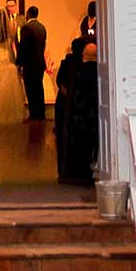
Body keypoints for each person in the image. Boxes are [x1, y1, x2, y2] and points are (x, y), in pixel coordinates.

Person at [61, 40, 99, 184]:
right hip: (94, 115)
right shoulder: (99, 73)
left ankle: (76, 173)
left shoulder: (77, 71)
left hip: (78, 115)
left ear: (84, 55)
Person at [0, 0, 27, 123]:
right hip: (8, 58)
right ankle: (10, 112)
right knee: (10, 91)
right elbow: (14, 45)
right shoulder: (11, 29)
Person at [54, 36, 85, 176]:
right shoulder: (83, 65)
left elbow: (59, 81)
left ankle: (64, 170)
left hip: (64, 104)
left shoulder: (67, 62)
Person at [16, 5, 47, 121]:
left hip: (29, 64)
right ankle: (41, 114)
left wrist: (19, 63)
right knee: (39, 88)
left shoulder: (26, 28)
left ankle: (34, 114)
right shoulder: (42, 27)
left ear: (28, 14)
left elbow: (22, 47)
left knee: (30, 89)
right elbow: (43, 45)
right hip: (39, 63)